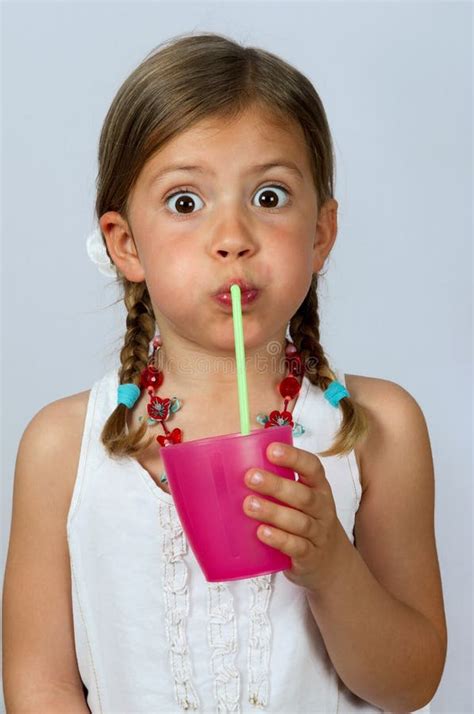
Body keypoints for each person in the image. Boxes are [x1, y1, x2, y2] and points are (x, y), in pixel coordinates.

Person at [3, 32, 447, 714]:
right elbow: (41, 685)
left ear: (322, 234)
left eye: (270, 197)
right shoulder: (62, 447)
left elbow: (409, 684)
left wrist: (331, 567)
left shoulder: (378, 429)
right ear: (127, 245)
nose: (233, 235)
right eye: (186, 202)